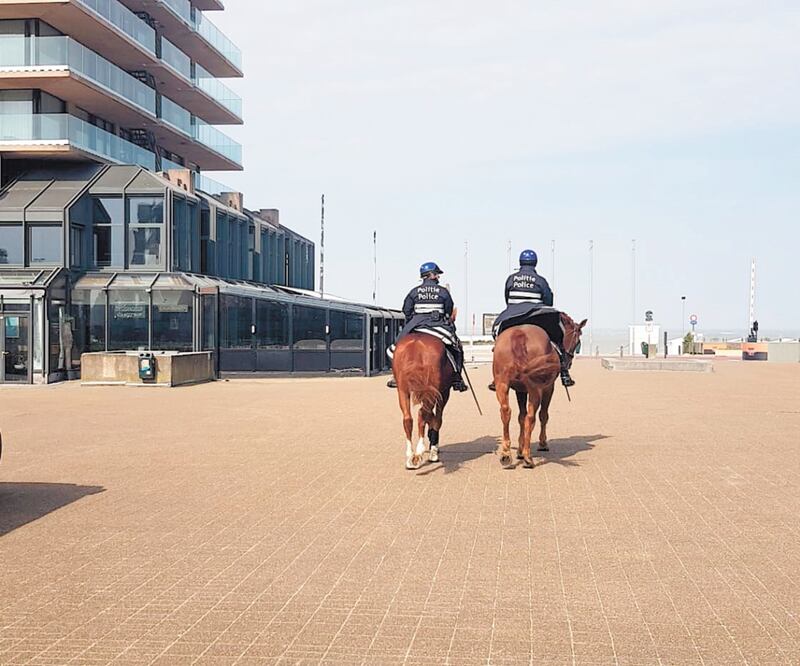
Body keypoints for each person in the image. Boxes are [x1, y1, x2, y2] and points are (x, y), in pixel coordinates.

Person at [489, 249, 575, 389]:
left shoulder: (511, 279)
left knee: (498, 335)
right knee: (558, 334)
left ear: (520, 262)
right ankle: (564, 370)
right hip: (537, 315)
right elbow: (548, 300)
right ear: (535, 263)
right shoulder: (540, 280)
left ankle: (497, 375)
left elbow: (507, 298)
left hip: (511, 315)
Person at [386, 261, 468, 391]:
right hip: (437, 324)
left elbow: (406, 310)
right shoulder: (443, 291)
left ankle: (396, 376)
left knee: (392, 349)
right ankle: (457, 377)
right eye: (437, 275)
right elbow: (448, 309)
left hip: (415, 324)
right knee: (456, 347)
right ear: (432, 275)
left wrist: (413, 320)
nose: (438, 277)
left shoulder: (414, 291)